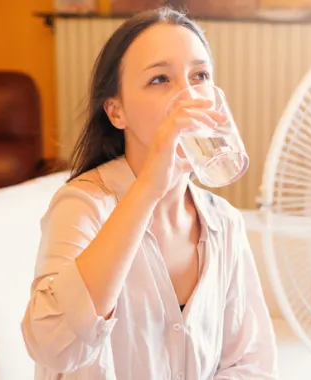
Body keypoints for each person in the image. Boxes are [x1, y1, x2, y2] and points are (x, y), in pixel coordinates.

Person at [20, 7, 277, 380]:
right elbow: (51, 348)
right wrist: (149, 189)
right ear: (116, 111)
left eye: (200, 76)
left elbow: (251, 363)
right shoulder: (83, 206)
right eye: (160, 79)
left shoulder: (224, 223)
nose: (188, 97)